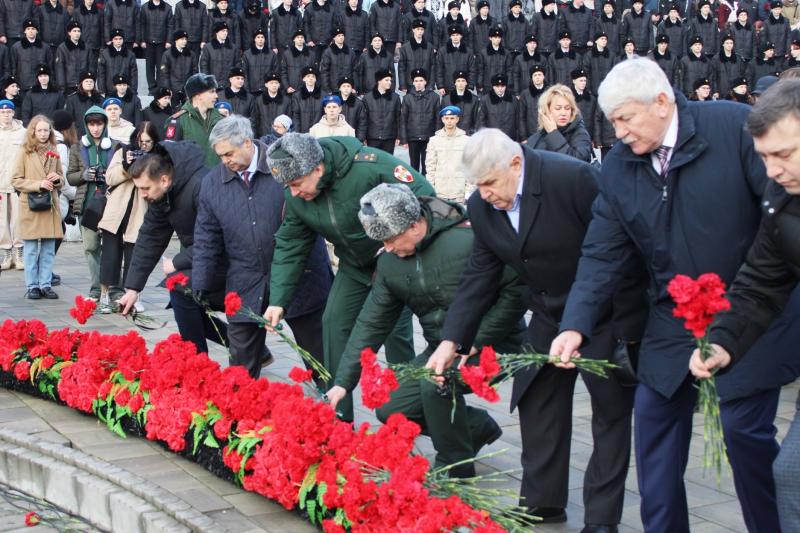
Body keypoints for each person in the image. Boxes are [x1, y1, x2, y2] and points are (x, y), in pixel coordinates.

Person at [549, 57, 793, 533]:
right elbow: (602, 252)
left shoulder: (730, 127)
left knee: (744, 433)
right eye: (612, 121)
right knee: (654, 431)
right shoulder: (621, 165)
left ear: (661, 102)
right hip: (671, 317)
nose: (618, 132)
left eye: (625, 118)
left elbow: (779, 216)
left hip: (748, 313)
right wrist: (575, 324)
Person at [427, 128, 647, 531]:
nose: (486, 194)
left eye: (490, 183)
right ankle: (542, 503)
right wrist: (451, 339)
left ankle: (601, 521)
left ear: (516, 163)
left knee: (610, 415)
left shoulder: (572, 179)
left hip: (604, 312)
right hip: (548, 314)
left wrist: (621, 322)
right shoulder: (481, 206)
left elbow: (618, 246)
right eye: (477, 186)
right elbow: (480, 274)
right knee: (537, 401)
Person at [326, 183, 526, 477]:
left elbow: (516, 290)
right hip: (440, 348)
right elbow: (370, 324)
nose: (389, 248)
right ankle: (475, 427)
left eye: (392, 239)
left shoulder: (466, 240)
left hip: (495, 343)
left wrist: (476, 340)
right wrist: (343, 383)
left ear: (416, 225)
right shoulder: (391, 264)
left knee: (435, 384)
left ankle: (454, 465)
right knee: (391, 406)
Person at [262, 133, 435, 422]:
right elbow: (291, 244)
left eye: (296, 184)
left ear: (316, 168)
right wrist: (278, 300)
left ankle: (405, 416)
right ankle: (339, 417)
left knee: (396, 335)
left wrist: (413, 254)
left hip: (394, 263)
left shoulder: (370, 166)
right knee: (333, 324)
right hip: (354, 267)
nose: (293, 193)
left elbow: (425, 197)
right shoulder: (298, 197)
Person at [691, 79, 800, 533]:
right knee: (792, 475)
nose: (772, 171)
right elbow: (760, 282)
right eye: (764, 158)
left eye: (784, 154)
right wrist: (723, 341)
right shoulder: (784, 201)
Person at [193, 116, 332, 378]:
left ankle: (334, 413)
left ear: (247, 142)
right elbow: (206, 237)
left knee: (319, 361)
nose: (225, 161)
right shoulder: (212, 183)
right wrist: (201, 285)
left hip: (300, 278)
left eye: (229, 154)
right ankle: (241, 416)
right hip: (246, 282)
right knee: (241, 368)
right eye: (220, 156)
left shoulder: (284, 163)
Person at [117, 142, 224, 354]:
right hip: (202, 258)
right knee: (181, 294)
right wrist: (133, 288)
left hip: (233, 259)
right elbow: (150, 237)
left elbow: (220, 237)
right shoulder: (162, 194)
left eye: (145, 188)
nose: (142, 195)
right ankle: (197, 360)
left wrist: (178, 262)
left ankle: (200, 361)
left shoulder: (201, 185)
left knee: (182, 291)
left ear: (164, 180)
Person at [96, 122, 157, 313]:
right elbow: (110, 178)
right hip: (117, 210)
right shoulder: (123, 152)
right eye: (141, 141)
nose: (143, 145)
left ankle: (133, 296)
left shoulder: (158, 157)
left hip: (140, 212)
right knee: (110, 256)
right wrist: (127, 165)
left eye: (148, 142)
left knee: (135, 257)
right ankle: (104, 296)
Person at [67, 106, 117, 300]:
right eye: (91, 124)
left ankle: (113, 288)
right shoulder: (77, 148)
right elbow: (70, 177)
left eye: (99, 123)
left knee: (112, 248)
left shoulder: (115, 146)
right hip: (86, 205)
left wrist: (109, 175)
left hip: (111, 204)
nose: (95, 128)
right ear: (86, 125)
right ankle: (96, 288)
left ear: (104, 124)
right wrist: (84, 175)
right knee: (90, 247)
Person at [12, 114, 63, 300]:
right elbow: (16, 180)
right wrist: (38, 184)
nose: (43, 134)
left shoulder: (54, 150)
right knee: (31, 249)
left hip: (50, 207)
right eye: (39, 130)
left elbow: (61, 178)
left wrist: (57, 179)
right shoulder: (24, 151)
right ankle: (32, 285)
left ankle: (46, 284)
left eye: (46, 130)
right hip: (31, 205)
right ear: (32, 131)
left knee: (49, 248)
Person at [164, 73, 224, 167]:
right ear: (198, 95)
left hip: (218, 178)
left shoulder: (222, 119)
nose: (216, 96)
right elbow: (170, 157)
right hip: (192, 180)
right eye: (212, 92)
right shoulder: (177, 121)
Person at [526, 83, 593, 161]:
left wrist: (553, 134)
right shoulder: (536, 138)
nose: (563, 113)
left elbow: (577, 163)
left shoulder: (580, 134)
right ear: (547, 111)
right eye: (558, 108)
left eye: (567, 108)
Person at [425, 105, 471, 203]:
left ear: (457, 119)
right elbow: (430, 167)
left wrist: (468, 192)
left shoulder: (466, 141)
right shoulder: (434, 140)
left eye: (452, 118)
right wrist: (430, 188)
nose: (449, 121)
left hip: (459, 192)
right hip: (440, 191)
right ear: (442, 119)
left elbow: (470, 168)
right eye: (446, 118)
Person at [0, 99, 25, 271]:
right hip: (1, 183)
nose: (5, 115)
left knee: (18, 219)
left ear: (13, 113)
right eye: (2, 112)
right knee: (2, 221)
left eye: (8, 112)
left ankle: (19, 252)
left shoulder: (22, 132)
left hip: (17, 184)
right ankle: (6, 253)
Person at [399, 68, 439, 173]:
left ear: (425, 82)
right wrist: (404, 139)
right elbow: (403, 119)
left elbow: (438, 119)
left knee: (428, 166)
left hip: (428, 137)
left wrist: (437, 136)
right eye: (416, 81)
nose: (419, 83)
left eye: (421, 80)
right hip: (413, 137)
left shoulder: (434, 97)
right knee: (414, 166)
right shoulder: (407, 98)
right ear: (413, 82)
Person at [137, 0, 172, 95]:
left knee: (161, 66)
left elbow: (170, 25)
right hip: (148, 42)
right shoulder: (145, 7)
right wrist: (142, 40)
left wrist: (169, 40)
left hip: (162, 42)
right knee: (150, 67)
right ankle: (152, 89)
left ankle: (160, 88)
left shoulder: (167, 8)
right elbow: (141, 24)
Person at [362, 69, 400, 154]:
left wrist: (398, 136)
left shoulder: (395, 98)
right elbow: (364, 119)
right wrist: (364, 137)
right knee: (373, 164)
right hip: (372, 137)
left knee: (388, 164)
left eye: (390, 80)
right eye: (386, 80)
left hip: (389, 137)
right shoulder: (367, 98)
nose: (389, 82)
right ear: (379, 81)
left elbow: (398, 118)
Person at [10, 19, 52, 93]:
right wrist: (16, 84)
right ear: (24, 31)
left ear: (37, 31)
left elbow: (50, 66)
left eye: (33, 28)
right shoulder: (16, 47)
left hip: (40, 86)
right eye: (28, 29)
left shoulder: (45, 47)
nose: (31, 31)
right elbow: (13, 67)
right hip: (23, 85)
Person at [158, 30, 198, 107]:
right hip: (173, 89)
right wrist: (168, 89)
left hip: (187, 89)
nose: (184, 41)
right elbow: (164, 73)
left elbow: (195, 72)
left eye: (186, 39)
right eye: (182, 39)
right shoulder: (167, 54)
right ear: (176, 40)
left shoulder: (191, 54)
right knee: (174, 113)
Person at [199, 22, 242, 91]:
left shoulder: (233, 48)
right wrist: (208, 82)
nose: (225, 33)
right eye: (223, 31)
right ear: (216, 32)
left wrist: (233, 81)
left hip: (229, 86)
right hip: (213, 86)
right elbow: (204, 66)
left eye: (226, 31)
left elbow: (238, 64)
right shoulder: (208, 48)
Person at [477, 74, 520, 141]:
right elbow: (481, 121)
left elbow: (518, 121)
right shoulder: (485, 100)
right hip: (492, 139)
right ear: (493, 87)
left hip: (510, 138)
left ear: (505, 86)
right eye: (497, 86)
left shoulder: (514, 100)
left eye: (502, 86)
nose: (500, 89)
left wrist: (518, 139)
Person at [54, 21, 93, 95]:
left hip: (83, 85)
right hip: (69, 86)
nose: (77, 33)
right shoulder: (62, 48)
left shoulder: (86, 47)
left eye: (79, 31)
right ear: (69, 33)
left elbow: (91, 66)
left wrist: (89, 82)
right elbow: (60, 69)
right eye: (74, 31)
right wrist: (62, 88)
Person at [97, 29, 138, 97]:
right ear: (112, 40)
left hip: (125, 92)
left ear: (123, 40)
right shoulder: (104, 54)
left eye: (120, 39)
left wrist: (133, 91)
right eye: (115, 39)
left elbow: (134, 75)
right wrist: (102, 90)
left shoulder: (130, 55)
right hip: (109, 91)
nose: (118, 41)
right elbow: (101, 74)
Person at [398, 20, 434, 93]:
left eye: (422, 29)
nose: (420, 31)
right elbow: (402, 67)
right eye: (418, 29)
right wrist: (403, 85)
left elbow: (432, 66)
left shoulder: (429, 47)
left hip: (425, 84)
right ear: (413, 30)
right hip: (410, 84)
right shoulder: (405, 47)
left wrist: (431, 85)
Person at [252, 72, 292, 138]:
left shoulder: (286, 100)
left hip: (281, 137)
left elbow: (289, 120)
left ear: (279, 85)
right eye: (271, 83)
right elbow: (255, 120)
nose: (274, 85)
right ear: (266, 84)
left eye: (276, 83)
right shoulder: (259, 100)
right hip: (263, 136)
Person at [64, 71, 103, 137]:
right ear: (81, 83)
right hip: (79, 135)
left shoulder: (100, 99)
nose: (89, 83)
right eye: (86, 81)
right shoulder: (72, 99)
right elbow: (69, 120)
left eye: (91, 81)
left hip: (97, 134)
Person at [241, 28, 279, 94]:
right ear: (254, 39)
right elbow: (245, 74)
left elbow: (276, 72)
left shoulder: (272, 54)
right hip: (252, 90)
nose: (260, 39)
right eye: (258, 37)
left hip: (267, 91)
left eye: (262, 37)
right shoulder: (247, 54)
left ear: (265, 39)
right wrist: (246, 90)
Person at [280, 30, 315, 95]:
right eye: (298, 37)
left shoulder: (311, 54)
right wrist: (287, 87)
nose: (300, 39)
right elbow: (283, 72)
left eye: (302, 37)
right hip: (292, 90)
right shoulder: (287, 54)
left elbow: (314, 72)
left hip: (307, 90)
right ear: (294, 39)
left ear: (304, 40)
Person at [290, 66, 323, 134]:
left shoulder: (323, 95)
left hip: (319, 133)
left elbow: (324, 115)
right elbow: (296, 116)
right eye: (308, 76)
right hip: (302, 132)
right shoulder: (297, 96)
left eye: (313, 76)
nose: (310, 78)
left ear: (316, 79)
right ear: (303, 79)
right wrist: (297, 133)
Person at [337, 76, 367, 142]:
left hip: (353, 139)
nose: (346, 88)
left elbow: (362, 123)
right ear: (340, 88)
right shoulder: (334, 103)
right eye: (344, 86)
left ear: (352, 89)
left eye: (348, 86)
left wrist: (359, 140)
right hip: (337, 139)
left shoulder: (358, 104)